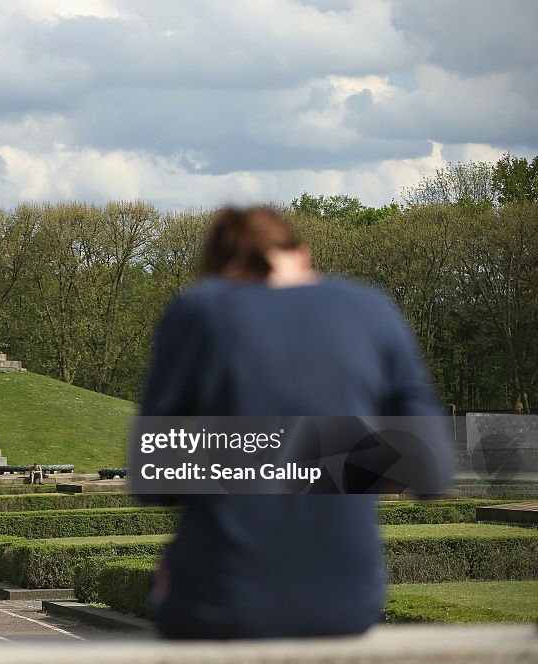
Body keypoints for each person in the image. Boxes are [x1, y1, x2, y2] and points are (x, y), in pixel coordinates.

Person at [140, 206, 452, 640]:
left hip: (218, 600)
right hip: (346, 604)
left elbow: (152, 483)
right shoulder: (371, 308)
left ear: (221, 272)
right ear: (302, 256)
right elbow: (434, 471)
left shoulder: (200, 310)